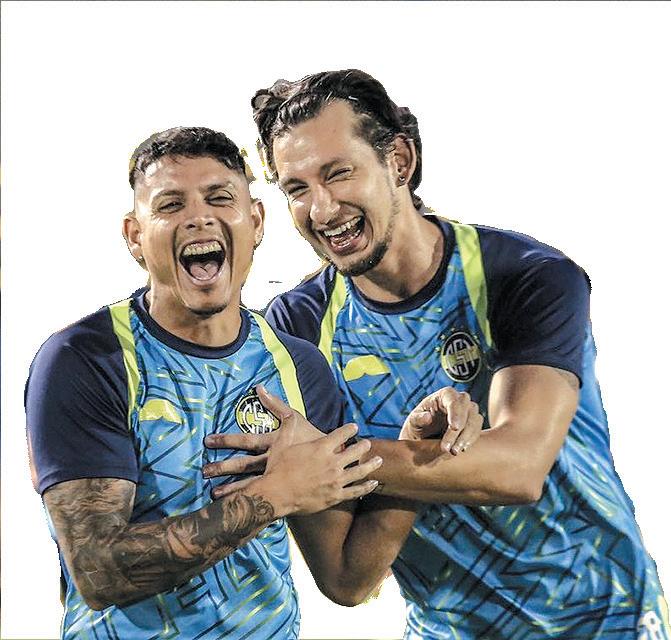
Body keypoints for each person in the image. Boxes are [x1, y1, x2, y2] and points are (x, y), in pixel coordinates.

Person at [210, 70, 670, 639]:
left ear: (399, 160)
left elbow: (519, 468)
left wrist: (325, 463)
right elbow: (348, 579)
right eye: (296, 189)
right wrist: (410, 446)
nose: (321, 210)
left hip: (606, 620)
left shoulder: (522, 276)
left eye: (338, 173)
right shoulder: (295, 331)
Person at [24, 126, 406, 639]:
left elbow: (346, 579)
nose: (199, 217)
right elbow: (99, 572)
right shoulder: (87, 358)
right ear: (135, 236)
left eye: (220, 198)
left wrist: (418, 446)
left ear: (256, 221)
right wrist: (275, 495)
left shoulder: (298, 367)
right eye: (171, 204)